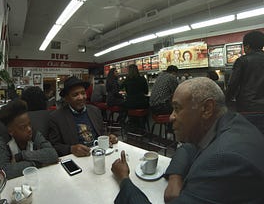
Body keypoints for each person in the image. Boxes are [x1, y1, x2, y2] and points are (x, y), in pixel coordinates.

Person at [111, 77, 264, 203]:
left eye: (177, 108)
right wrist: (175, 176)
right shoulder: (229, 124)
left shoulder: (224, 159)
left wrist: (124, 180)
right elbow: (189, 147)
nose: (171, 117)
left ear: (207, 109)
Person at [48, 76, 118, 157]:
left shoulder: (95, 111)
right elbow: (53, 146)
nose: (81, 97)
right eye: (75, 94)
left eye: (83, 93)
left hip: (99, 154)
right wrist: (71, 149)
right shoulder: (56, 117)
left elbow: (102, 133)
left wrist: (109, 137)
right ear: (67, 98)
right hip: (77, 159)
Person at [0, 100, 58, 179]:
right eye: (23, 127)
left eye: (29, 124)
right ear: (11, 131)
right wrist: (39, 163)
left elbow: (52, 154)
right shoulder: (4, 140)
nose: (29, 129)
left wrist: (21, 156)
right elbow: (4, 172)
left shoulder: (34, 134)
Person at [226, 30, 264, 133]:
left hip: (247, 109)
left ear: (247, 46)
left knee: (249, 139)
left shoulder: (242, 61)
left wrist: (226, 101)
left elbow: (232, 84)